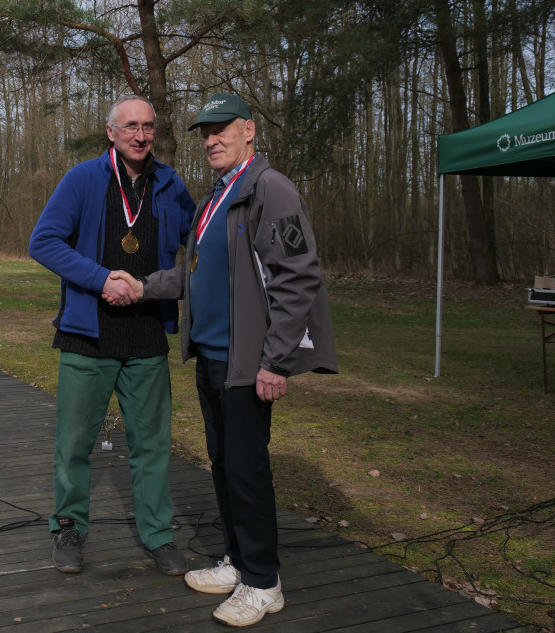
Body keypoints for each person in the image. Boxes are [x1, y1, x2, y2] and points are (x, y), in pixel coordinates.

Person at [111, 93, 337, 627]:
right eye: (204, 132)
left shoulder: (269, 188)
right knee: (225, 465)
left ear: (249, 131)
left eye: (223, 130)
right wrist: (141, 285)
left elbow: (298, 278)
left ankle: (263, 582)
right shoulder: (217, 193)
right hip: (212, 356)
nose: (211, 140)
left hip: (249, 360)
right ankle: (238, 561)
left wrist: (277, 361)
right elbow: (193, 275)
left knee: (248, 469)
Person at [28, 95, 197, 576]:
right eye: (130, 127)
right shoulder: (83, 179)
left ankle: (158, 535)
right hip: (88, 336)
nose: (140, 135)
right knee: (74, 444)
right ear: (111, 132)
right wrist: (101, 278)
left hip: (146, 337)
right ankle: (69, 527)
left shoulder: (169, 184)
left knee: (151, 446)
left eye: (148, 126)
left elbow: (201, 247)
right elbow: (43, 242)